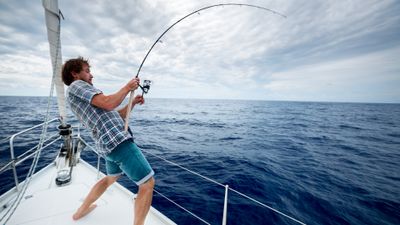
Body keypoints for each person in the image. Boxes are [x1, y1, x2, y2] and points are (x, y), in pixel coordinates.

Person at [62, 56, 155, 225]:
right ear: (75, 74)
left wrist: (132, 102)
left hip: (107, 147)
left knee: (109, 179)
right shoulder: (77, 86)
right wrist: (128, 87)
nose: (91, 75)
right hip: (118, 142)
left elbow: (116, 115)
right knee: (147, 183)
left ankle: (80, 211)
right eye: (87, 71)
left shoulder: (83, 95)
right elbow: (108, 103)